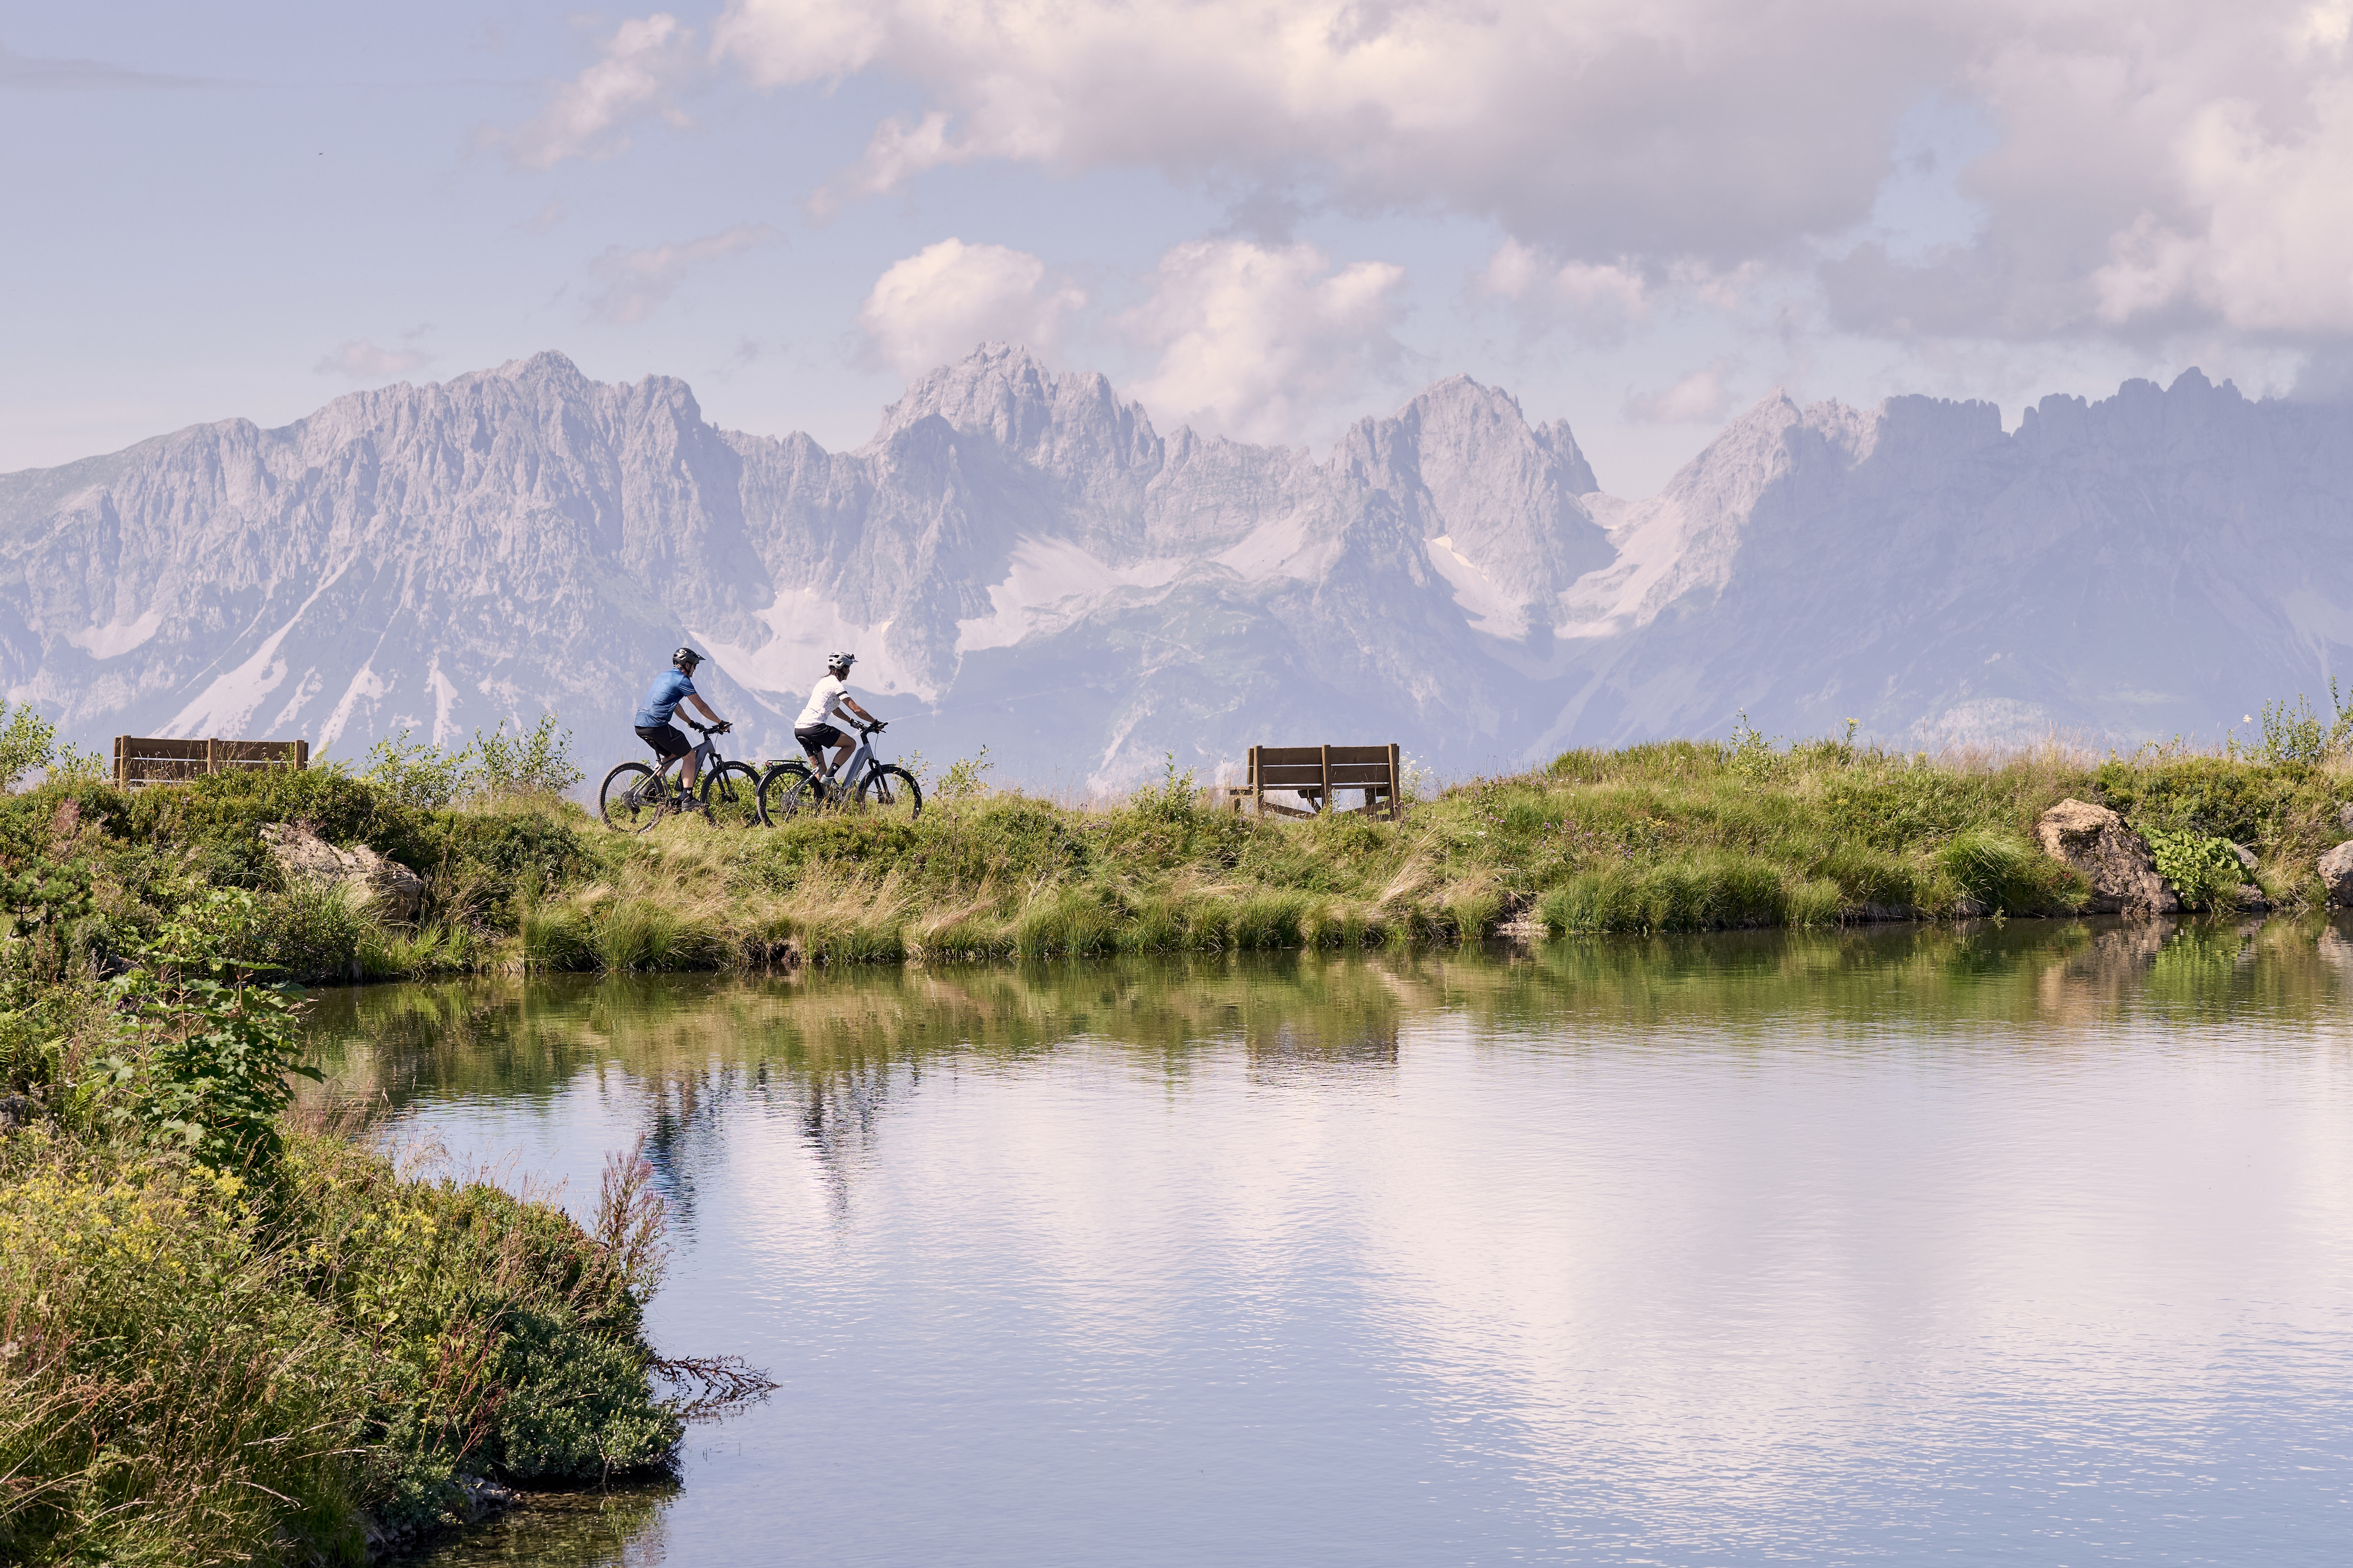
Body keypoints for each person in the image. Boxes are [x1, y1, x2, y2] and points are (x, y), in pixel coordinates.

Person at [633, 646, 730, 796]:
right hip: (656, 725)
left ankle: (649, 791)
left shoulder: (664, 676)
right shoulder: (682, 680)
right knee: (690, 755)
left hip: (641, 725)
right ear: (687, 664)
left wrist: (690, 722)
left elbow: (675, 705)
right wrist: (720, 722)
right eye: (694, 665)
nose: (695, 670)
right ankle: (687, 798)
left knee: (672, 755)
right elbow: (702, 707)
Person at [794, 651, 881, 778]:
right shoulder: (836, 685)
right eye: (849, 668)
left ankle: (821, 797)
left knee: (820, 771)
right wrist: (875, 722)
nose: (849, 671)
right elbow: (856, 709)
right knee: (851, 744)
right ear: (844, 668)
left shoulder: (823, 682)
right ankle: (830, 778)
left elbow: (834, 709)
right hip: (814, 727)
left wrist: (851, 721)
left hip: (800, 728)